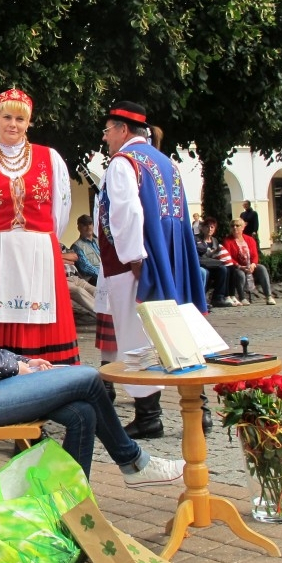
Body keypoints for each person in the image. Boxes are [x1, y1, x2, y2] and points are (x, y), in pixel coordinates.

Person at [0, 187, 185, 484]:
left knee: (82, 412)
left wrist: (23, 360)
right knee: (88, 377)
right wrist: (15, 367)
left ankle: (69, 507)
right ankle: (134, 463)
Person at [97, 101, 207, 439]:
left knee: (136, 334)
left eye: (107, 130)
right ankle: (200, 408)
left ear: (123, 130)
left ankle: (149, 416)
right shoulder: (167, 163)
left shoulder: (123, 163)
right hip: (171, 257)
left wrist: (133, 259)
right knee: (179, 328)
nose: (105, 138)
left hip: (138, 262)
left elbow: (125, 213)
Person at [0, 88, 79, 365]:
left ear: (28, 123)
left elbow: (60, 210)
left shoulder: (51, 159)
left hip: (39, 250)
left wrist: (42, 239)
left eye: (20, 119)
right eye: (7, 117)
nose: (13, 124)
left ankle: (50, 384)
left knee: (41, 312)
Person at [224, 218, 276, 305]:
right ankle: (242, 297)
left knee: (262, 268)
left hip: (250, 265)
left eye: (237, 225)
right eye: (232, 226)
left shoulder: (250, 239)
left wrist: (253, 265)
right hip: (237, 267)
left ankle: (269, 296)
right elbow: (228, 257)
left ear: (243, 227)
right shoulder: (227, 241)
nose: (235, 228)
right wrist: (239, 266)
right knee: (240, 274)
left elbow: (255, 255)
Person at [196, 216, 240, 308]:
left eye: (212, 227)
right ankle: (202, 299)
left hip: (213, 265)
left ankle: (218, 297)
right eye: (207, 226)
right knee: (206, 272)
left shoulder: (214, 241)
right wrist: (213, 252)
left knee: (225, 269)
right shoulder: (197, 240)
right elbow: (201, 253)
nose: (210, 229)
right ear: (203, 228)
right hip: (202, 265)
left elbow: (216, 256)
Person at [60, 244, 96, 317]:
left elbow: (74, 257)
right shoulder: (45, 247)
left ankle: (112, 310)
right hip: (62, 280)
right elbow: (49, 258)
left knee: (95, 290)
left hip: (75, 277)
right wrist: (64, 257)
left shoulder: (61, 244)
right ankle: (103, 314)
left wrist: (57, 257)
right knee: (79, 291)